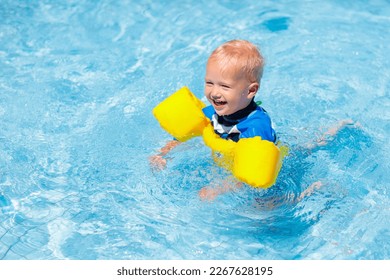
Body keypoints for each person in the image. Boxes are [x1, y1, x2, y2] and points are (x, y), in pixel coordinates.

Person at [150, 39, 357, 201]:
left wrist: (219, 189)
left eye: (224, 86)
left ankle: (311, 192)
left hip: (271, 170)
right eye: (209, 83)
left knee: (264, 209)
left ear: (250, 91)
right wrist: (164, 152)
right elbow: (190, 131)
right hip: (233, 161)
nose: (214, 93)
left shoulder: (256, 127)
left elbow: (250, 174)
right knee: (304, 147)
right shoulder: (215, 111)